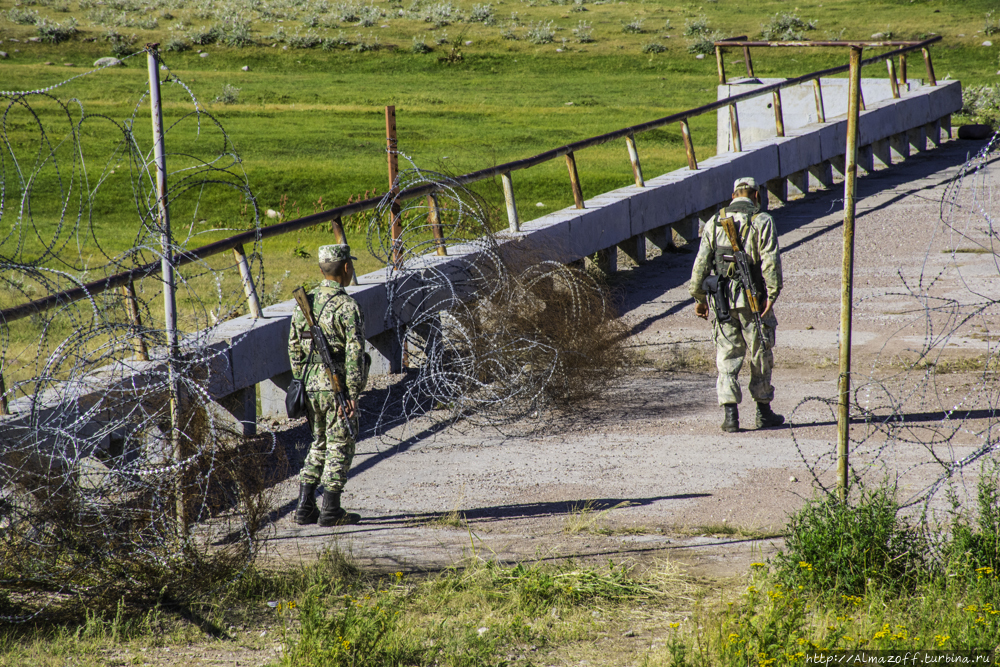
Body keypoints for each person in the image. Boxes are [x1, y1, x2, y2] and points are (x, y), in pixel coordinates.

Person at [689, 177, 785, 433]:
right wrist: (772, 295)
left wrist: (699, 298)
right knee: (760, 352)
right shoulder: (762, 220)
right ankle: (763, 412)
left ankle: (731, 415)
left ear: (733, 196)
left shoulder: (714, 221)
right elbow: (770, 262)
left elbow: (700, 264)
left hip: (722, 299)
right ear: (756, 196)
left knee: (727, 354)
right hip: (754, 300)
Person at [288, 244, 369, 526]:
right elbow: (355, 354)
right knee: (341, 444)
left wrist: (303, 381)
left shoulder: (304, 305)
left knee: (319, 442)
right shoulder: (348, 306)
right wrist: (353, 394)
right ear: (346, 267)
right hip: (337, 389)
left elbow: (294, 349)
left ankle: (304, 506)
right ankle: (331, 510)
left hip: (310, 387)